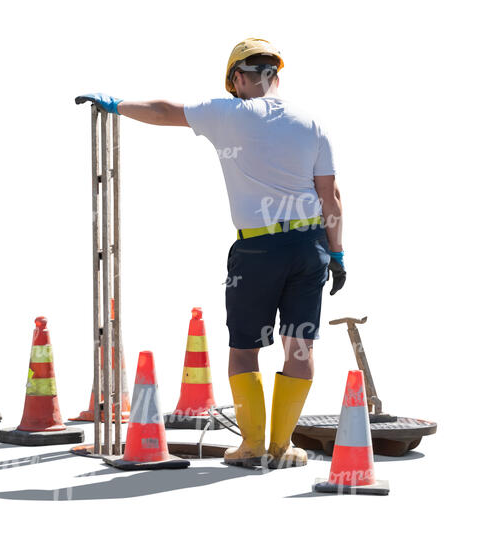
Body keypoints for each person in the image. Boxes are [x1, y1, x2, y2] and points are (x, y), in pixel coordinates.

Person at [76, 37, 345, 468]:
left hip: (258, 247)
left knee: (245, 347)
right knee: (300, 349)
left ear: (238, 77)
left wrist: (117, 104)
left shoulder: (228, 113)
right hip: (309, 244)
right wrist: (337, 254)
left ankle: (253, 446)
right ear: (274, 74)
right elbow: (330, 197)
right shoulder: (312, 122)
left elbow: (165, 111)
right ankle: (282, 447)